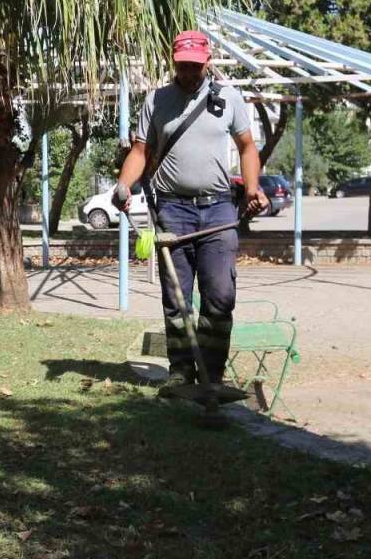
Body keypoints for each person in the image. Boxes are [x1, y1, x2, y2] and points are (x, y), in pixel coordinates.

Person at [114, 30, 268, 396]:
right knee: (176, 297)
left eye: (195, 66)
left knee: (219, 296)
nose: (188, 72)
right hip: (172, 209)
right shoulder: (157, 100)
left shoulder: (228, 99)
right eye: (182, 65)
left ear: (207, 62)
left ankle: (212, 375)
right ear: (173, 61)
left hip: (218, 210)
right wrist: (123, 187)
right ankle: (181, 371)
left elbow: (247, 147)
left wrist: (251, 189)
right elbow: (139, 150)